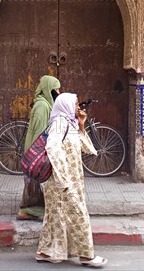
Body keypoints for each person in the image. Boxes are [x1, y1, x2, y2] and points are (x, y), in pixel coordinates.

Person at [35, 93, 108, 267]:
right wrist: (62, 179)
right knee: (78, 214)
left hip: (70, 180)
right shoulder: (59, 124)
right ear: (65, 105)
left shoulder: (70, 123)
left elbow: (87, 148)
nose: (78, 107)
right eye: (75, 104)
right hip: (62, 181)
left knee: (55, 216)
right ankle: (87, 256)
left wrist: (82, 126)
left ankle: (45, 252)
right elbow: (52, 148)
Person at [17, 75, 61, 221]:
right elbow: (40, 132)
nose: (58, 93)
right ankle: (28, 211)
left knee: (38, 182)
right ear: (48, 90)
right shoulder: (42, 106)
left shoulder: (46, 104)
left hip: (37, 150)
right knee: (35, 181)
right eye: (56, 89)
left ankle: (36, 210)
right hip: (36, 150)